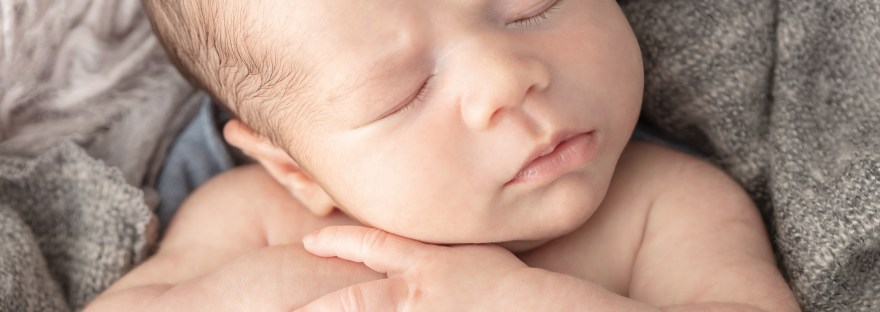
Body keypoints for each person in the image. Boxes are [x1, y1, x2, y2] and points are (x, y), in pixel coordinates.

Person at [87, 0, 801, 310]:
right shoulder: (256, 218)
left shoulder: (664, 209)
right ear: (294, 169)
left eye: (531, 7)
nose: (507, 79)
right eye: (403, 93)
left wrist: (522, 303)